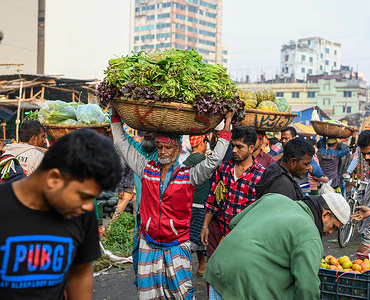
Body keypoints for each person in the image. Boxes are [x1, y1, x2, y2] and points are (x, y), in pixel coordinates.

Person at [110, 107, 233, 299]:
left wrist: (227, 125)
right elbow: (121, 143)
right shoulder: (145, 169)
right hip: (148, 244)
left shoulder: (189, 175)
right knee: (149, 295)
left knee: (182, 295)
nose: (163, 151)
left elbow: (215, 159)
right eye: (160, 147)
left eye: (168, 147)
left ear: (177, 150)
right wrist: (114, 113)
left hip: (176, 244)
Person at [0, 129, 122, 299]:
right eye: (84, 196)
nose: (88, 207)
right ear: (54, 179)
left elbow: (79, 272)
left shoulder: (80, 212)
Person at [204, 192, 350, 300]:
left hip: (219, 267)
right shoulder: (310, 237)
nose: (330, 232)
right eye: (334, 227)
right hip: (242, 284)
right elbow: (307, 287)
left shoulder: (275, 198)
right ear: (325, 214)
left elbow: (234, 222)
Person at [200, 126, 265, 257]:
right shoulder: (224, 168)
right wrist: (205, 226)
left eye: (239, 147)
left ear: (251, 148)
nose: (234, 150)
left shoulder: (261, 175)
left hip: (246, 237)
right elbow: (212, 198)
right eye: (233, 146)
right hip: (221, 231)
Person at [183, 134, 210, 276]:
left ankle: (201, 266)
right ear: (202, 143)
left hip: (189, 203)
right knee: (195, 238)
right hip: (200, 205)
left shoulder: (187, 160)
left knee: (197, 237)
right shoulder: (201, 158)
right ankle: (182, 266)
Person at [111, 156, 135, 220]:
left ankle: (136, 229)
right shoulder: (124, 157)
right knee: (119, 210)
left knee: (137, 212)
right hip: (128, 187)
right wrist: (120, 189)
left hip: (137, 188)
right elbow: (120, 174)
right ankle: (112, 226)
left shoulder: (139, 155)